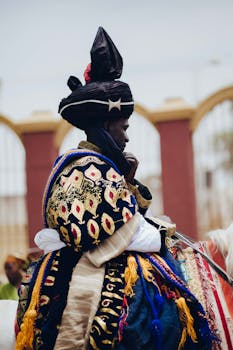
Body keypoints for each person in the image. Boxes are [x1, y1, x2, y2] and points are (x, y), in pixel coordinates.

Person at [15, 27, 214, 350]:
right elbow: (101, 231)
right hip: (78, 271)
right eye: (123, 128)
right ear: (106, 126)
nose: (127, 137)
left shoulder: (102, 167)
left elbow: (121, 215)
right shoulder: (83, 167)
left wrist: (128, 181)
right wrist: (159, 232)